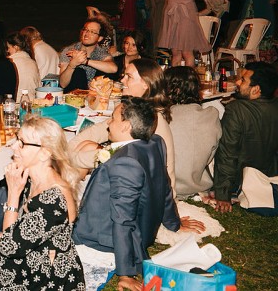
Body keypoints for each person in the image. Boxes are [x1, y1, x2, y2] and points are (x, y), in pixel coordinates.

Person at [73, 97, 203, 291]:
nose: (108, 123)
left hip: (100, 238)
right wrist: (174, 222)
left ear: (126, 126)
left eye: (113, 118)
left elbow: (122, 219)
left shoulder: (124, 162)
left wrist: (125, 274)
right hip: (139, 228)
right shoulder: (155, 142)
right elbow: (164, 186)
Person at [0, 116, 85, 291]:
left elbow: (9, 247)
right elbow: (19, 231)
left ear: (45, 153)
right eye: (17, 140)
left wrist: (13, 193)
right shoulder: (34, 179)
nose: (14, 146)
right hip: (28, 252)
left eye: (22, 143)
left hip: (46, 276)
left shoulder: (52, 200)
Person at [69, 58, 177, 192]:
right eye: (124, 75)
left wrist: (66, 157)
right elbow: (97, 131)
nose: (122, 81)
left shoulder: (149, 119)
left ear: (145, 84)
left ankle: (67, 195)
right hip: (132, 174)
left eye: (129, 77)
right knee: (87, 145)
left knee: (85, 151)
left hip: (149, 191)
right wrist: (66, 151)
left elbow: (115, 156)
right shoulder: (135, 109)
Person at [211, 62, 278, 213]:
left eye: (243, 80)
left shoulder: (236, 110)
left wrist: (223, 194)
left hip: (241, 181)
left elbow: (227, 154)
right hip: (268, 176)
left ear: (256, 90)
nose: (237, 82)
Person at [165, 66, 221, 199]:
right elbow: (210, 155)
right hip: (200, 185)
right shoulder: (211, 115)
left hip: (169, 186)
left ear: (175, 90)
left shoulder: (164, 117)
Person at [58, 18, 117, 92]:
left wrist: (85, 61)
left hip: (93, 93)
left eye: (92, 32)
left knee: (105, 73)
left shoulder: (101, 52)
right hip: (72, 94)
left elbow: (113, 68)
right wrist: (72, 65)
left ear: (99, 38)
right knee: (79, 72)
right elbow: (63, 84)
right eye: (85, 30)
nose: (86, 34)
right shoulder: (69, 51)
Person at [6, 32, 40, 102]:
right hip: (32, 102)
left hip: (16, 102)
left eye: (8, 48)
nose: (7, 51)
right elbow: (39, 86)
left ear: (16, 47)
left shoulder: (10, 62)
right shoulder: (32, 62)